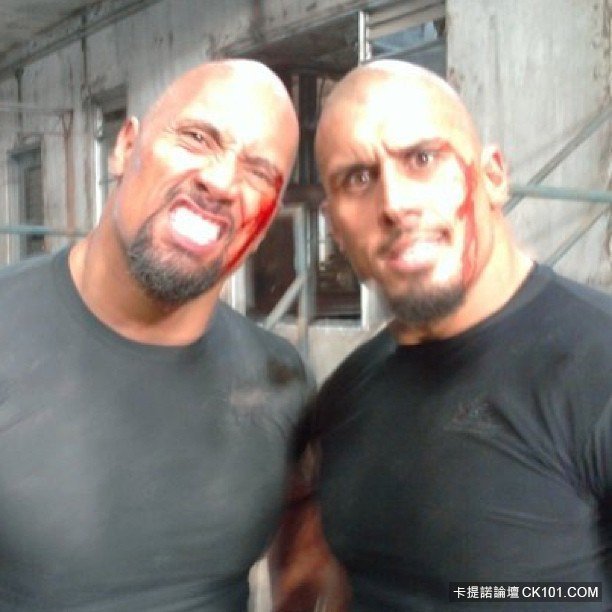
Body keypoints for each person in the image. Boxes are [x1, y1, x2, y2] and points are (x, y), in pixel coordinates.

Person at [274, 60, 612, 610]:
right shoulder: (344, 397)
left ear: (494, 176)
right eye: (358, 178)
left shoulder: (599, 365)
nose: (394, 204)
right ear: (335, 226)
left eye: (423, 158)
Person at [0, 59, 311, 611]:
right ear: (125, 147)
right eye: (197, 138)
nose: (220, 182)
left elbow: (306, 581)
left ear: (266, 224)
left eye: (259, 173)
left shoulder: (282, 382)